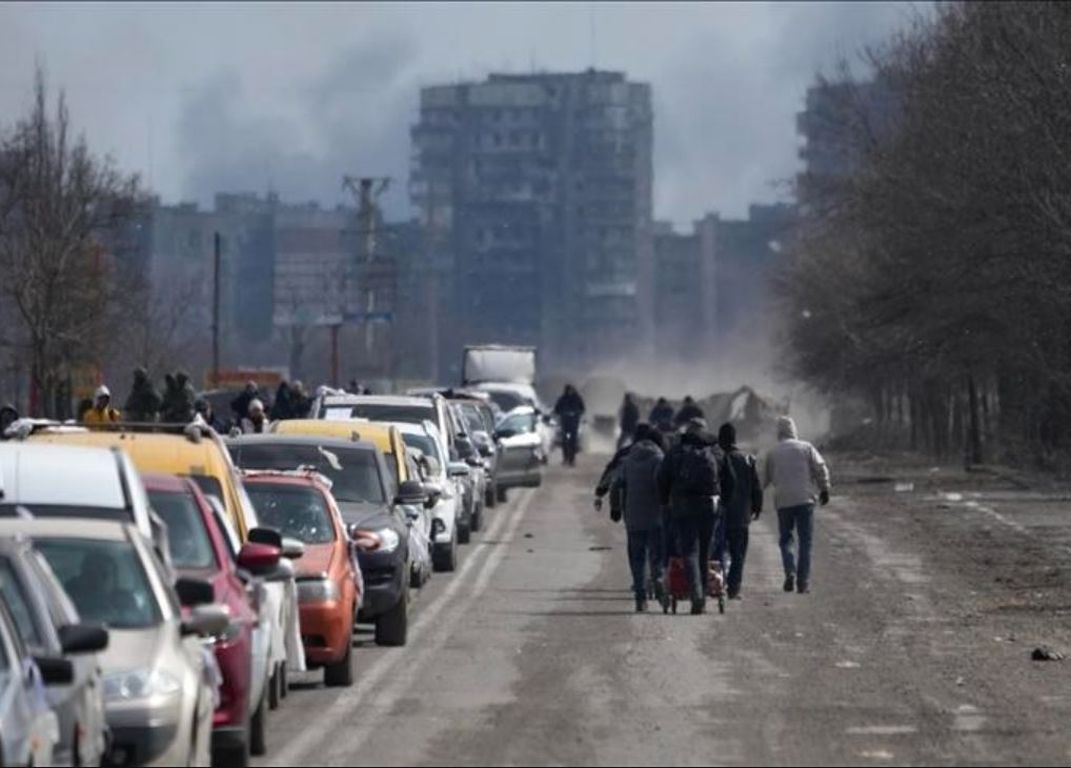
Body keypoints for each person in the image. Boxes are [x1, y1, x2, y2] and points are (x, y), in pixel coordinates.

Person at [657, 417, 720, 614]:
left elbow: (661, 477)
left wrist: (664, 501)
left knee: (690, 552)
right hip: (710, 506)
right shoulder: (714, 451)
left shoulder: (676, 451)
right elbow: (726, 477)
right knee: (704, 551)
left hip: (683, 506)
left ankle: (697, 596)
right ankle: (701, 592)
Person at [764, 416, 831, 595]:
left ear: (778, 432)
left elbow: (763, 479)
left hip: (783, 501)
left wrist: (752, 499)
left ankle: (790, 571)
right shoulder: (806, 447)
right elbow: (820, 468)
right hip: (805, 499)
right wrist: (824, 488)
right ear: (794, 430)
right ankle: (803, 583)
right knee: (805, 542)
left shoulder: (772, 452)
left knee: (786, 539)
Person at [613, 423, 668, 612]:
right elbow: (664, 486)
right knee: (657, 555)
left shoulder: (628, 460)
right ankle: (659, 578)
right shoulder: (660, 459)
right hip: (656, 516)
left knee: (637, 558)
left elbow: (615, 484)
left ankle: (640, 598)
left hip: (633, 517)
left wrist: (615, 509)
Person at [716, 422, 763, 600]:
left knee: (716, 553)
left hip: (718, 515)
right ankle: (734, 588)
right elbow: (756, 488)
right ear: (735, 438)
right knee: (738, 554)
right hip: (741, 516)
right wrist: (757, 507)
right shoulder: (746, 459)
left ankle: (715, 584)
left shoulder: (715, 457)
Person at [553, 384, 586, 467]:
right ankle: (565, 458)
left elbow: (582, 409)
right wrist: (563, 413)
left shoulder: (577, 398)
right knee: (565, 441)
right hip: (565, 422)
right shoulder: (563, 399)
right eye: (569, 390)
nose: (570, 392)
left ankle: (571, 459)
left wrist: (576, 413)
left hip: (574, 422)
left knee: (572, 441)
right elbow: (557, 409)